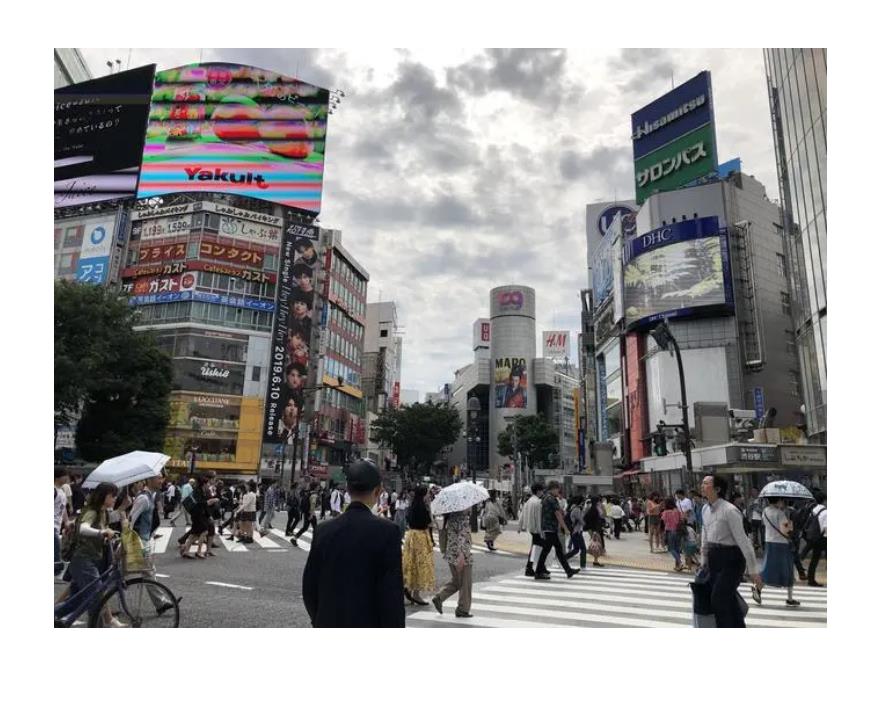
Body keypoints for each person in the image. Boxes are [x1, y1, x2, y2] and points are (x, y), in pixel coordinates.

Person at [302, 460, 404, 627]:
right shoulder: (388, 531)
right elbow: (392, 594)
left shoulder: (323, 530)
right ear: (378, 491)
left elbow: (309, 588)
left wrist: (319, 619)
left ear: (348, 489)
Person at [700, 474, 760, 628]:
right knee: (728, 599)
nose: (702, 485)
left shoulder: (730, 510)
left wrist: (753, 571)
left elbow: (744, 541)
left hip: (732, 559)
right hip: (714, 558)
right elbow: (705, 537)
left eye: (706, 483)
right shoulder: (705, 509)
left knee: (718, 599)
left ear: (717, 489)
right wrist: (703, 561)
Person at [67, 483, 126, 626]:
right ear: (103, 496)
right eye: (112, 496)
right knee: (97, 596)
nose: (114, 498)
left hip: (89, 559)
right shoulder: (93, 511)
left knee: (76, 600)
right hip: (83, 559)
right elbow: (83, 528)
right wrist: (102, 532)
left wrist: (105, 533)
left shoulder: (101, 512)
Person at [752, 496, 800, 607]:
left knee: (768, 569)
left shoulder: (765, 511)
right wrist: (790, 524)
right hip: (781, 544)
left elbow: (765, 524)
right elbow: (786, 531)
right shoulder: (780, 513)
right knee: (788, 569)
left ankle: (758, 589)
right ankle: (790, 598)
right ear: (779, 501)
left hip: (769, 542)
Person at [432, 506, 475, 618]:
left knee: (457, 581)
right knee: (465, 583)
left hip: (451, 554)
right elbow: (461, 538)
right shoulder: (462, 518)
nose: (471, 507)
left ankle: (439, 597)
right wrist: (461, 556)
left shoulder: (452, 517)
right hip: (461, 555)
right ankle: (462, 609)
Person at [533, 481, 580, 580]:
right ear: (553, 488)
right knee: (548, 550)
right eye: (557, 489)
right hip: (551, 528)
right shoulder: (551, 499)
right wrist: (565, 528)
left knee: (554, 550)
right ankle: (538, 572)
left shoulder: (545, 498)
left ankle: (568, 571)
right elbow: (558, 514)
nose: (558, 491)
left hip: (547, 528)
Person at [402, 486, 435, 606]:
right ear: (423, 495)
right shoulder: (423, 507)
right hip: (420, 537)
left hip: (411, 536)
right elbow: (427, 522)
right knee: (421, 565)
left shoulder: (412, 506)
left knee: (410, 563)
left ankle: (407, 586)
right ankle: (416, 593)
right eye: (427, 494)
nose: (428, 496)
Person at [180, 477, 218, 558]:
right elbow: (200, 503)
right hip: (197, 514)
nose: (209, 485)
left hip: (199, 514)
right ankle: (198, 551)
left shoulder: (201, 490)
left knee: (195, 533)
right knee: (204, 532)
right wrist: (210, 501)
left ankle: (186, 550)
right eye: (207, 483)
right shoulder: (198, 491)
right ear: (204, 483)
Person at [519, 482, 546, 577]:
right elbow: (538, 518)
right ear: (538, 491)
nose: (543, 492)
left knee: (535, 548)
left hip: (531, 528)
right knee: (540, 549)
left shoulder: (529, 501)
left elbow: (522, 514)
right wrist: (541, 531)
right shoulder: (538, 502)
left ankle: (533, 568)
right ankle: (535, 568)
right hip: (536, 529)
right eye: (542, 490)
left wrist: (520, 526)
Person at [803, 490, 827, 587]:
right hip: (824, 538)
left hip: (814, 538)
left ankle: (811, 579)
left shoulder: (813, 510)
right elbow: (826, 527)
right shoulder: (825, 511)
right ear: (824, 500)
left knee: (814, 559)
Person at [661, 498, 685, 572]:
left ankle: (680, 563)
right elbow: (681, 519)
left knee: (671, 549)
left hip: (670, 531)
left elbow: (663, 521)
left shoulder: (666, 512)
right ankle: (677, 566)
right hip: (678, 531)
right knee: (677, 549)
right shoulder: (677, 511)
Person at [564, 495, 588, 569]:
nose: (584, 503)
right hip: (576, 532)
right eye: (583, 501)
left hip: (575, 531)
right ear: (580, 502)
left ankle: (563, 559)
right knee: (583, 549)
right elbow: (581, 521)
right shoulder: (576, 509)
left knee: (576, 549)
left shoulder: (573, 508)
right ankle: (583, 565)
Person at [583, 495, 606, 567]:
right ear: (596, 502)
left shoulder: (593, 508)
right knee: (596, 545)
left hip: (595, 529)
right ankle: (595, 561)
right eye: (599, 501)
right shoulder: (594, 509)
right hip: (595, 529)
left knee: (597, 544)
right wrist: (594, 530)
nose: (600, 502)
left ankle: (595, 560)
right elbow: (593, 520)